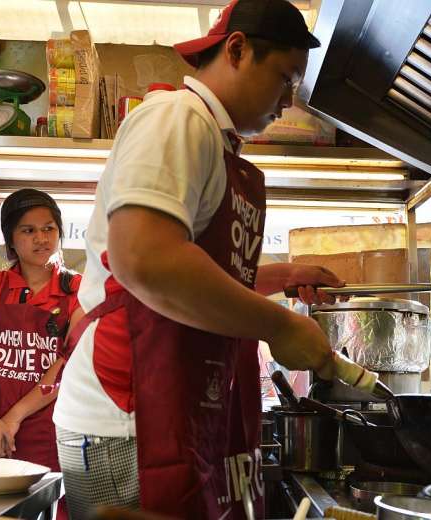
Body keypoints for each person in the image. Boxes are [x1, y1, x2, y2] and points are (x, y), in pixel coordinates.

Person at [53, 1, 340, 518]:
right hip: (127, 410)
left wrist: (283, 277)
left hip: (167, 400)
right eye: (284, 78)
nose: (288, 101)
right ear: (237, 50)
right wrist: (280, 327)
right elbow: (147, 260)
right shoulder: (177, 119)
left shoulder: (212, 138)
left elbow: (201, 276)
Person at [0, 189, 84, 476]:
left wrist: (13, 418)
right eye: (29, 230)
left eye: (49, 228)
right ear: (11, 238)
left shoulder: (77, 290)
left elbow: (66, 366)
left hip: (48, 427)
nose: (41, 238)